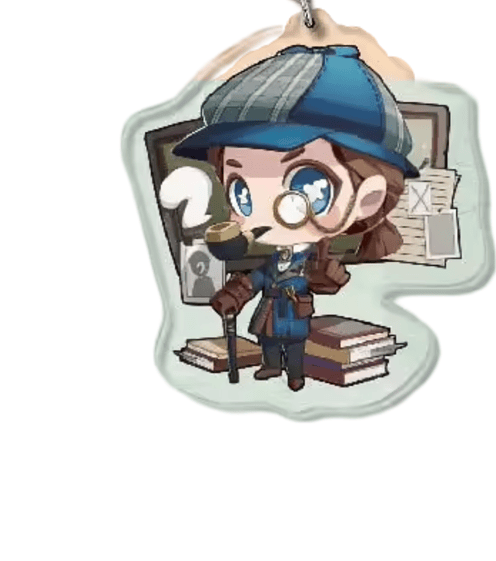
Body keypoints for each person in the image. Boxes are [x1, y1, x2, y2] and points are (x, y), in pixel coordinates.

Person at [173, 45, 420, 391]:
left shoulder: (314, 257)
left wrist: (324, 276)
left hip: (295, 313)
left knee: (295, 346)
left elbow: (326, 281)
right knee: (268, 341)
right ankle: (272, 366)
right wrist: (237, 292)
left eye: (308, 184)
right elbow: (259, 277)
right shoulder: (274, 255)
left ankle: (295, 373)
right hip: (271, 311)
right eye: (241, 190)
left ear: (368, 198)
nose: (268, 209)